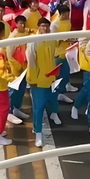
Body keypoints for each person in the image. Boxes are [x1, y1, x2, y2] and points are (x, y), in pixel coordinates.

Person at [26, 18, 61, 148]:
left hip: (51, 78)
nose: (45, 28)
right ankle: (38, 132)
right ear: (38, 27)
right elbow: (31, 63)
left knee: (53, 99)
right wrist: (33, 80)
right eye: (42, 26)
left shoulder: (52, 39)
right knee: (39, 107)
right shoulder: (33, 42)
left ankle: (54, 113)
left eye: (47, 26)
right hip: (38, 80)